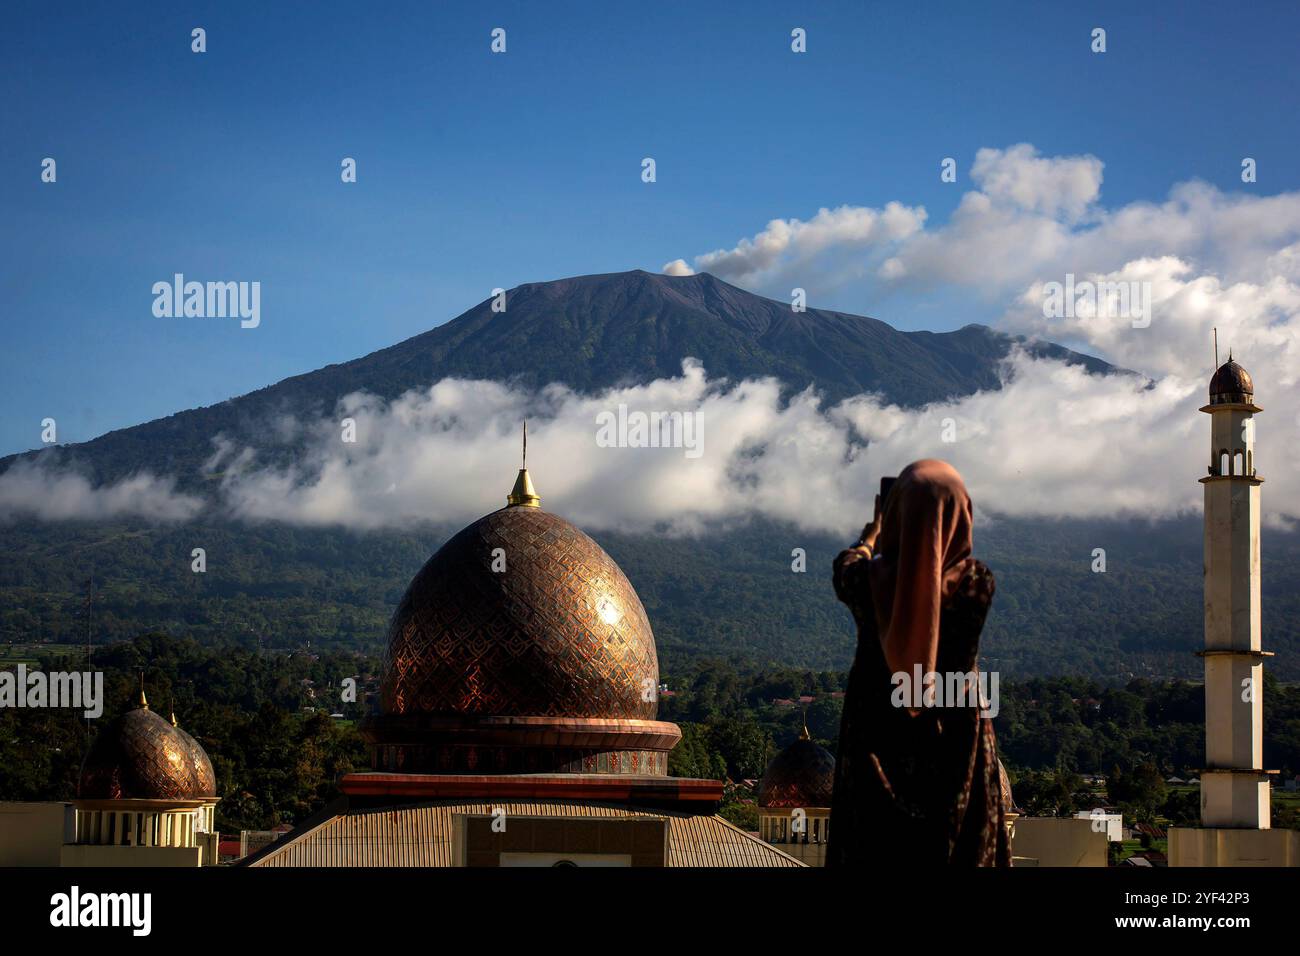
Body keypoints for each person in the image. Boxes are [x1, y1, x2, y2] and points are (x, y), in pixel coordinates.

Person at [827, 459, 1009, 866]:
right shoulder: (976, 584)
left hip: (875, 740)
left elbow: (845, 565)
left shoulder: (864, 583)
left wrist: (871, 535)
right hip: (956, 739)